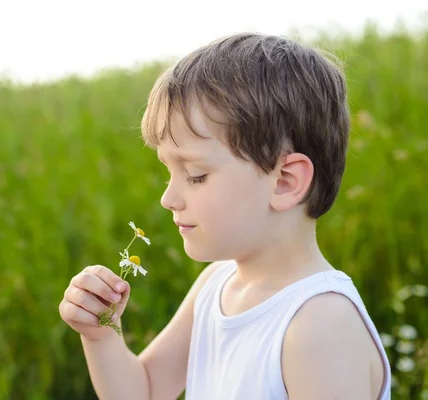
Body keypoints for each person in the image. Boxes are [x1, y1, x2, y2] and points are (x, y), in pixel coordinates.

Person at [58, 32, 391, 399]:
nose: (168, 198)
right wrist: (102, 335)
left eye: (196, 175)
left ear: (283, 182)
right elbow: (145, 392)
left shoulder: (320, 325)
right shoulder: (215, 286)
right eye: (169, 171)